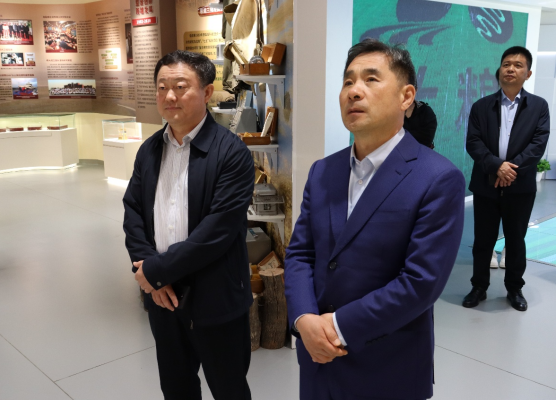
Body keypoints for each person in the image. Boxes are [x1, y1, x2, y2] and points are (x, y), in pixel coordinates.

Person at [284, 39, 465, 400]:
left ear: (406, 96)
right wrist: (303, 319)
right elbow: (301, 253)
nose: (354, 91)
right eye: (348, 81)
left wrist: (336, 327)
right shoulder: (323, 171)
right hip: (318, 360)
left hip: (388, 365)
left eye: (370, 79)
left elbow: (420, 283)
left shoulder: (437, 178)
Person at [122, 50, 254, 400]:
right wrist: (148, 270)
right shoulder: (149, 150)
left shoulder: (231, 153)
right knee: (176, 387)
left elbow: (218, 231)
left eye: (180, 87)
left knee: (229, 389)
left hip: (216, 298)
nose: (169, 96)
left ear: (207, 92)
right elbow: (133, 212)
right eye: (162, 87)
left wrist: (157, 271)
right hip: (163, 300)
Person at [463, 46, 550, 312]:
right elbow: (473, 142)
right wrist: (496, 166)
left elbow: (538, 144)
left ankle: (514, 288)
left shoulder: (539, 106)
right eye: (506, 64)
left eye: (518, 65)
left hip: (520, 186)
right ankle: (479, 287)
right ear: (499, 70)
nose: (510, 69)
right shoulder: (481, 106)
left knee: (515, 240)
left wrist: (510, 170)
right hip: (486, 184)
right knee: (483, 240)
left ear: (528, 73)